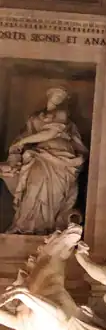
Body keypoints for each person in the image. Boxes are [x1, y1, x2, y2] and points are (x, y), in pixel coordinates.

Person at [0, 87, 88, 235]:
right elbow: (24, 136)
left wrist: (21, 143)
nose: (57, 98)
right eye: (55, 95)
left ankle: (49, 228)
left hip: (62, 159)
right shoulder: (35, 118)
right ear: (49, 97)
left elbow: (51, 133)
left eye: (61, 97)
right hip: (39, 156)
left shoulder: (62, 114)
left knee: (55, 195)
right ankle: (25, 225)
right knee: (34, 184)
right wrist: (15, 151)